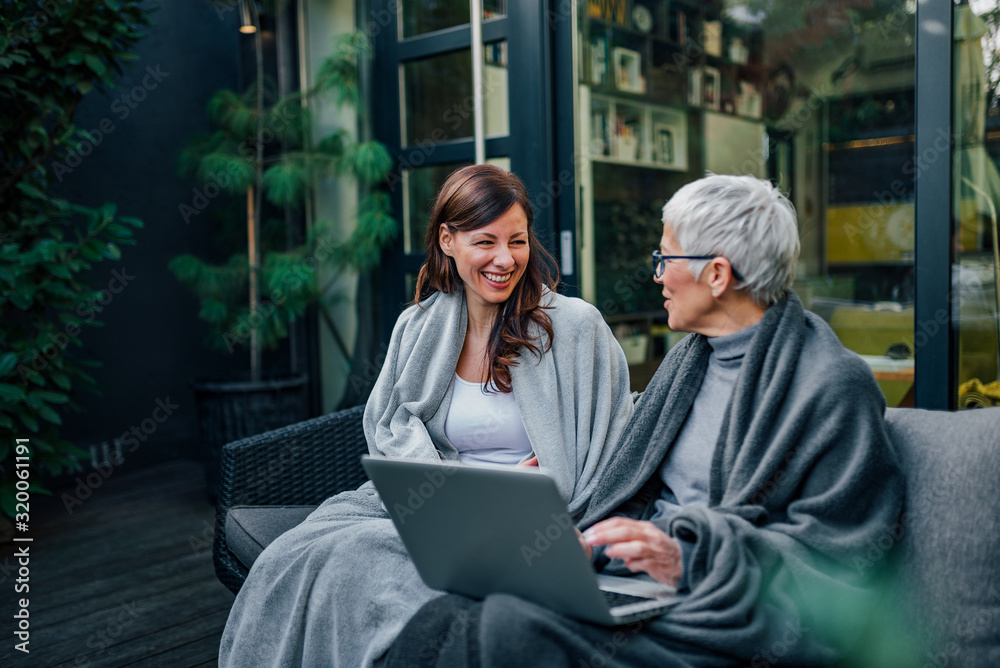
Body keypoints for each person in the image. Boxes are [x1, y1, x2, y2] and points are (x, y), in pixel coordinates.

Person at [383, 174, 905, 668]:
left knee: (506, 625)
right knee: (443, 619)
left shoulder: (832, 385)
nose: (658, 274)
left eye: (667, 257)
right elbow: (629, 481)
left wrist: (689, 555)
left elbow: (844, 565)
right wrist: (588, 539)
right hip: (632, 580)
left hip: (707, 606)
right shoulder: (689, 362)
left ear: (717, 274)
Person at [218, 164, 634, 667]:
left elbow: (612, 443)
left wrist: (543, 483)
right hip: (435, 507)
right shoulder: (418, 327)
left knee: (364, 566)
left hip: (533, 522)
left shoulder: (575, 329)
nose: (505, 259)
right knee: (303, 557)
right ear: (447, 240)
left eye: (517, 241)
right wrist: (448, 480)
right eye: (486, 242)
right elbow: (390, 423)